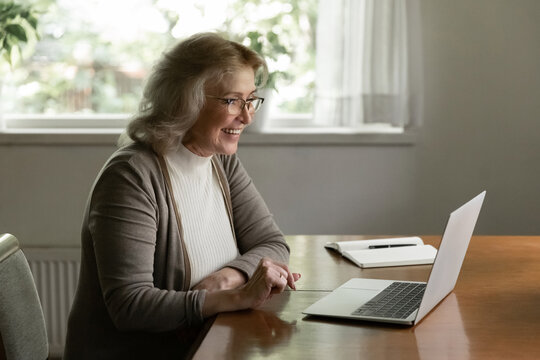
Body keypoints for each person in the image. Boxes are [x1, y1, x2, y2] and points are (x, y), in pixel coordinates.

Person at [64, 32, 300, 359]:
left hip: (207, 344)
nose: (246, 116)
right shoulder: (132, 175)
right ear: (185, 100)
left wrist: (225, 279)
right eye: (232, 101)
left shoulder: (221, 161)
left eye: (251, 99)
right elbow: (130, 306)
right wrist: (234, 297)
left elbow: (273, 244)